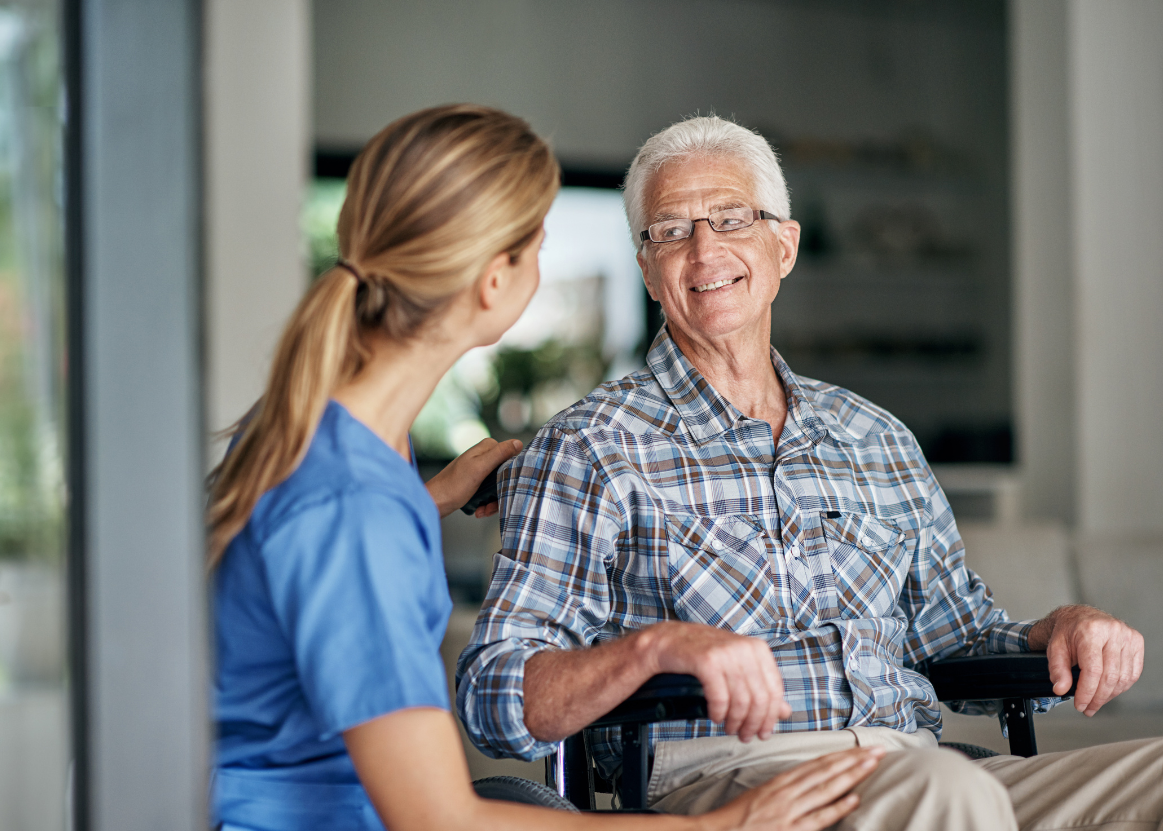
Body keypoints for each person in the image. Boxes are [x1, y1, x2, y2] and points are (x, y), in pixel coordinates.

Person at [456, 115, 1162, 831]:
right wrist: (648, 651)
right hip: (735, 782)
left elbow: (957, 637)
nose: (704, 250)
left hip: (918, 763)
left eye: (732, 218)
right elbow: (494, 693)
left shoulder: (875, 436)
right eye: (669, 230)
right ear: (646, 267)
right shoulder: (587, 445)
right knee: (948, 792)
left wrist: (1059, 630)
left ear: (783, 245)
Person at [207, 105, 883, 831]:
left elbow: (300, 545)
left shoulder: (334, 442)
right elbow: (440, 818)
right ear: (495, 281)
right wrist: (713, 826)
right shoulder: (353, 508)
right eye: (537, 242)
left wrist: (427, 495)